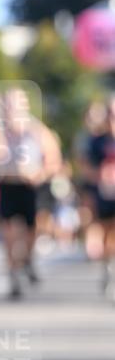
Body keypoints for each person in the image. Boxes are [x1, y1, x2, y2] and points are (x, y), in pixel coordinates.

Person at [0, 87, 62, 299]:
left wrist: (39, 174)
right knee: (9, 235)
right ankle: (14, 277)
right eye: (9, 104)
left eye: (16, 104)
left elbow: (54, 160)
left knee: (31, 233)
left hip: (30, 188)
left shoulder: (37, 131)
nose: (12, 109)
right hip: (7, 186)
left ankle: (28, 260)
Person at [82, 93, 115, 301]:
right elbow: (86, 166)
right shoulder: (97, 141)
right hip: (104, 194)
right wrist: (100, 176)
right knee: (106, 232)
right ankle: (108, 268)